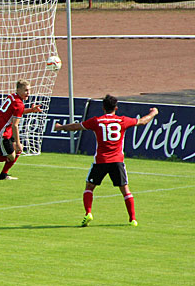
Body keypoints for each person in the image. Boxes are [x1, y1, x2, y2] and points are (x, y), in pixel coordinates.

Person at [53, 95, 159, 227]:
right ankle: (132, 219)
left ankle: (88, 213)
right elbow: (143, 121)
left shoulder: (97, 121)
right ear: (116, 108)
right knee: (125, 190)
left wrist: (60, 127)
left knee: (90, 187)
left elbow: (76, 127)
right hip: (117, 161)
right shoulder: (122, 120)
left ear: (103, 107)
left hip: (101, 160)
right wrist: (153, 112)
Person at [0, 79, 44, 181]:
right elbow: (15, 125)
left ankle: (3, 175)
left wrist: (31, 110)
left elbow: (16, 112)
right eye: (26, 91)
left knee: (16, 151)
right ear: (18, 90)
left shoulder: (12, 96)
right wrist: (18, 142)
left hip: (3, 129)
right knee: (11, 156)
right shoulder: (19, 104)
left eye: (29, 90)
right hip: (1, 133)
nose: (28, 93)